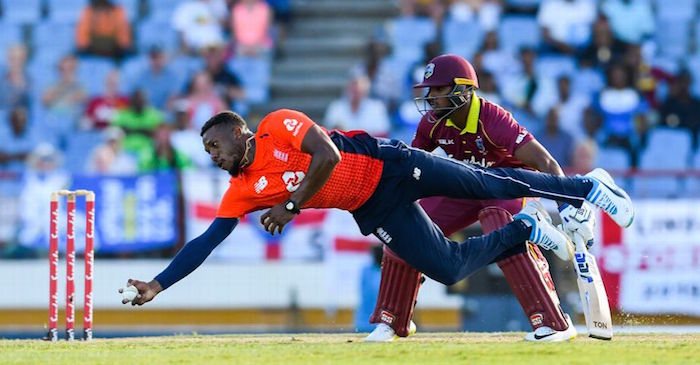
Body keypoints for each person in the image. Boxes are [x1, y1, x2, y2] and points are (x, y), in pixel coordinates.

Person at [120, 107, 634, 333]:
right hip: (373, 207)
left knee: (494, 184)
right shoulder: (239, 191)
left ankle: (588, 186)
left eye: (214, 144)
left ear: (240, 133)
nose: (211, 153)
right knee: (449, 268)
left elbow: (327, 157)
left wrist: (292, 205)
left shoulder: (278, 125)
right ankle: (523, 231)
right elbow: (207, 240)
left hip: (391, 164)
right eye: (206, 149)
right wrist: (158, 285)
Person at [366, 54, 585, 343]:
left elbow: (545, 162)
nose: (431, 97)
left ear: (464, 90)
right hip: (467, 186)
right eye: (429, 90)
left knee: (499, 224)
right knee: (405, 226)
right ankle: (392, 320)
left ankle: (553, 322)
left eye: (439, 89)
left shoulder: (494, 120)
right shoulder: (432, 124)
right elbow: (411, 168)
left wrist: (566, 205)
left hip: (509, 187)